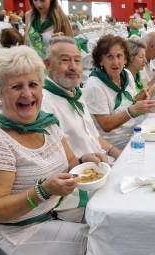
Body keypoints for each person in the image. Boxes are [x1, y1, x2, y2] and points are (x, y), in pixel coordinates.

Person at [0, 45, 107, 255]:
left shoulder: (46, 123)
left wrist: (84, 160)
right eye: (16, 86)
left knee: (111, 224)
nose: (27, 94)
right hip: (14, 235)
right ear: (0, 92)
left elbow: (71, 163)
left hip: (53, 215)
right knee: (104, 241)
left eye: (33, 84)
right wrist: (43, 191)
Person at [42, 36, 121, 165]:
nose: (73, 67)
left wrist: (121, 156)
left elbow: (95, 137)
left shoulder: (75, 93)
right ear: (48, 65)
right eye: (65, 60)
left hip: (103, 161)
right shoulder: (44, 103)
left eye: (77, 60)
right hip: (83, 171)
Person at [84, 35, 155, 150]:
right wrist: (133, 110)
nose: (116, 62)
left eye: (119, 56)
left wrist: (137, 100)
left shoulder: (126, 75)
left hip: (132, 130)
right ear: (101, 60)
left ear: (125, 59)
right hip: (114, 141)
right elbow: (106, 125)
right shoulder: (95, 86)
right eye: (109, 57)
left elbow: (126, 104)